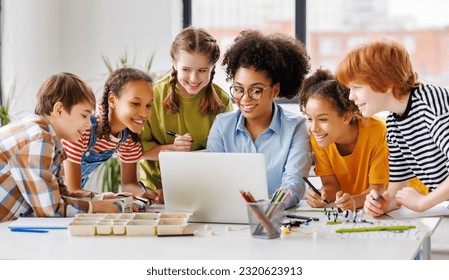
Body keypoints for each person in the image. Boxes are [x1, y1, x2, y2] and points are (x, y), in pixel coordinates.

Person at [335, 39, 449, 216]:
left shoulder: (431, 104)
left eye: (357, 87)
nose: (351, 97)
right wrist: (384, 202)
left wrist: (424, 202)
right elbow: (397, 187)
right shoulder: (394, 124)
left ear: (386, 83)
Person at [206, 30, 312, 209]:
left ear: (275, 91)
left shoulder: (296, 127)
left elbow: (294, 183)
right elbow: (213, 179)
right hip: (229, 217)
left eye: (255, 90)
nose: (245, 98)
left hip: (277, 219)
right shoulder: (222, 126)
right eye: (239, 89)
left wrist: (266, 205)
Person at [0, 72, 126, 222]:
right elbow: (50, 210)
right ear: (59, 110)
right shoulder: (38, 138)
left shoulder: (47, 139)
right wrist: (98, 207)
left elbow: (59, 195)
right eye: (84, 115)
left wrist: (100, 198)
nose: (89, 123)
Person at [139, 26, 233, 202]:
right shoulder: (152, 95)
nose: (194, 78)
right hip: (157, 192)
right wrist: (171, 149)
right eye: (186, 69)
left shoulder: (222, 102)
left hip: (205, 191)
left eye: (202, 70)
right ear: (174, 64)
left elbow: (226, 156)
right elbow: (138, 150)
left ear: (212, 68)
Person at [299, 68, 388, 211]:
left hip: (397, 206)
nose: (314, 128)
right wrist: (323, 195)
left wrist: (353, 201)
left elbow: (378, 190)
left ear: (347, 116)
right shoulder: (319, 138)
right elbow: (331, 185)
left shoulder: (378, 132)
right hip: (357, 210)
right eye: (309, 118)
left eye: (322, 119)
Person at [62, 67, 157, 202]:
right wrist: (113, 198)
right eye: (135, 103)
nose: (144, 113)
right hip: (43, 195)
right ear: (112, 100)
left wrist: (143, 194)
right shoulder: (83, 126)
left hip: (70, 198)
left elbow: (129, 184)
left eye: (148, 105)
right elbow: (71, 189)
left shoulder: (128, 137)